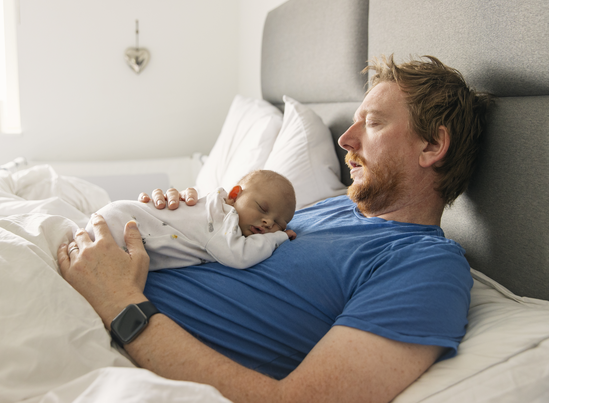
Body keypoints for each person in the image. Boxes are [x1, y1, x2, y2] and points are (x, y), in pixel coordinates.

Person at [57, 55, 493, 403]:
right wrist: (172, 217)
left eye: (374, 123)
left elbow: (297, 399)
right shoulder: (326, 210)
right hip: (86, 281)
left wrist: (120, 303)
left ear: (432, 145)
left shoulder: (426, 267)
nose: (346, 140)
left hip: (107, 329)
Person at [84, 169, 297, 271]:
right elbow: (238, 255)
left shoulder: (218, 210)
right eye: (262, 208)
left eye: (279, 223)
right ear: (233, 196)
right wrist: (277, 237)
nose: (268, 222)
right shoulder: (224, 218)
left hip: (119, 217)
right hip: (123, 225)